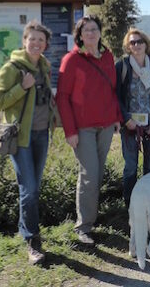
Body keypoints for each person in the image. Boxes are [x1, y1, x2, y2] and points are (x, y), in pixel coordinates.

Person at [0, 20, 56, 264]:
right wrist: (21, 87)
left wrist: (53, 112)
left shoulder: (44, 67)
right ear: (24, 41)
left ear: (45, 44)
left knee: (32, 188)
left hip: (41, 135)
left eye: (41, 40)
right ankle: (32, 241)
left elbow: (42, 99)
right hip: (21, 138)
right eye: (32, 39)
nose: (37, 43)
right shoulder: (12, 68)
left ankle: (24, 229)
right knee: (29, 189)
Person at [56, 15, 122, 245]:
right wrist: (69, 131)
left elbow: (112, 90)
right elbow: (62, 97)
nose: (91, 34)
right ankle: (82, 227)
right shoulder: (71, 59)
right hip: (82, 129)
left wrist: (115, 117)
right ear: (80, 35)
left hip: (105, 126)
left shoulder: (107, 57)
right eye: (86, 30)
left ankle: (91, 219)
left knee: (97, 174)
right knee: (89, 175)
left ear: (100, 32)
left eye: (95, 29)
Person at [116, 28, 150, 207]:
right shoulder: (122, 66)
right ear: (128, 46)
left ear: (146, 44)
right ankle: (129, 203)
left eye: (139, 41)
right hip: (130, 126)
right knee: (130, 167)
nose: (136, 45)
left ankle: (148, 202)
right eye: (132, 42)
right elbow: (116, 96)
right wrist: (126, 120)